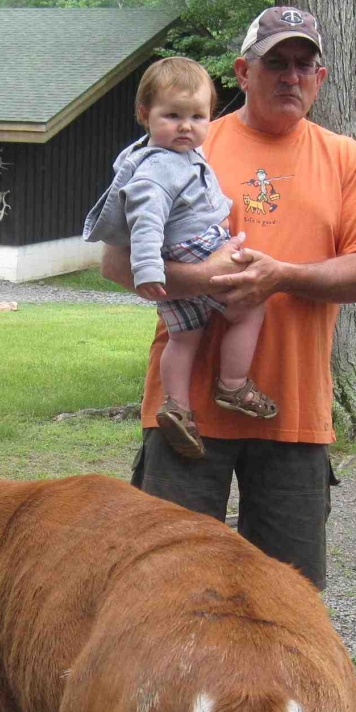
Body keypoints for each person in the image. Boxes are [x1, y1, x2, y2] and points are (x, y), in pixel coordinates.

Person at [101, 6, 356, 589]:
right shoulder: (189, 141)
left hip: (294, 411)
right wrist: (210, 279)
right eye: (275, 62)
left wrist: (280, 277)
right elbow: (114, 262)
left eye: (304, 65)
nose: (291, 76)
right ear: (243, 71)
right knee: (169, 592)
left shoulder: (346, 159)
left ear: (321, 77)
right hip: (186, 418)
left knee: (289, 599)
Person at [84, 56, 276, 460]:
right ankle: (233, 383)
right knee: (251, 306)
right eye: (172, 115)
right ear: (144, 114)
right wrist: (149, 269)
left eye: (197, 116)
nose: (186, 126)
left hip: (174, 262)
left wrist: (158, 274)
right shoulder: (159, 168)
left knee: (184, 336)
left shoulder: (171, 155)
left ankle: (177, 406)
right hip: (195, 247)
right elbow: (146, 220)